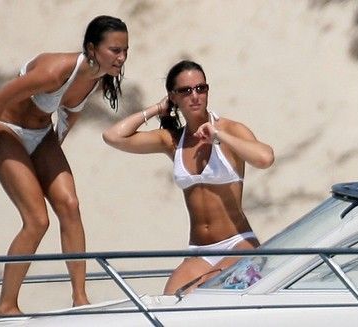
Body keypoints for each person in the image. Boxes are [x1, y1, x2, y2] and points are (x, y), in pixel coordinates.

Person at [0, 15, 128, 315]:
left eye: (125, 50)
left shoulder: (96, 76)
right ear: (92, 49)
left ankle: (80, 298)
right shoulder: (55, 72)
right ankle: (5, 305)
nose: (121, 57)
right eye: (115, 50)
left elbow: (70, 113)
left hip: (42, 135)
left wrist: (52, 153)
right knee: (37, 220)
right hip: (5, 130)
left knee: (70, 204)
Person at [102, 60, 274, 295]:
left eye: (201, 88)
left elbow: (265, 158)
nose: (195, 96)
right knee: (169, 302)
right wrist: (156, 109)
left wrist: (219, 136)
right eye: (186, 91)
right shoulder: (173, 140)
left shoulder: (229, 130)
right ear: (173, 97)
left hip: (238, 244)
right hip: (199, 249)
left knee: (200, 295)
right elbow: (113, 136)